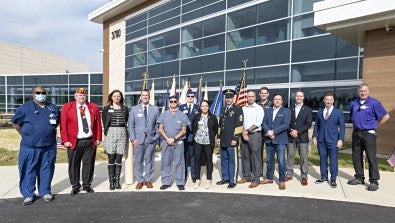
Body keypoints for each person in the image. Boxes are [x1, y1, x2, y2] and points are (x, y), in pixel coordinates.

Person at [11, 86, 60, 205]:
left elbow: (56, 123)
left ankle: (45, 191)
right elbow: (16, 124)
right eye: (38, 92)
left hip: (49, 146)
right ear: (33, 94)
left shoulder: (53, 108)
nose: (41, 94)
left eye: (43, 92)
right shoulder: (24, 108)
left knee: (47, 169)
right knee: (29, 169)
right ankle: (28, 194)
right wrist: (26, 135)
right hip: (30, 147)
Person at [60, 87, 102, 196]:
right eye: (79, 95)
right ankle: (75, 186)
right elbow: (63, 126)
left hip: (89, 140)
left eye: (84, 95)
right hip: (74, 141)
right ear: (75, 96)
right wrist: (65, 140)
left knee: (89, 163)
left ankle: (87, 185)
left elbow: (97, 124)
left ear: (86, 96)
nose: (82, 97)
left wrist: (98, 138)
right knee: (74, 164)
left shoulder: (93, 107)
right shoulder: (67, 107)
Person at [348, 83, 389, 191]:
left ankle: (374, 181)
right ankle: (359, 177)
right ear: (358, 92)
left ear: (368, 91)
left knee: (371, 157)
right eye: (361, 91)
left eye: (365, 91)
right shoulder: (353, 103)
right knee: (356, 156)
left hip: (369, 134)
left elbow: (385, 116)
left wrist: (375, 125)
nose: (363, 93)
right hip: (356, 133)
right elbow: (352, 116)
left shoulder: (374, 103)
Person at [312, 92, 345, 188]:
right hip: (321, 140)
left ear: (333, 101)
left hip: (333, 140)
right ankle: (324, 176)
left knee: (333, 160)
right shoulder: (319, 111)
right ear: (324, 100)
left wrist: (340, 140)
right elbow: (317, 125)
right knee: (322, 159)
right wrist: (314, 136)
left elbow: (342, 127)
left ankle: (333, 179)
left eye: (330, 100)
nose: (329, 101)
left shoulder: (338, 112)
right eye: (327, 99)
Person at [157, 95, 190, 191]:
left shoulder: (182, 115)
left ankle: (180, 182)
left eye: (175, 101)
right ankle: (166, 182)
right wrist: (168, 139)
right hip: (166, 141)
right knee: (166, 162)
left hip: (178, 142)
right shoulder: (164, 114)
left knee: (179, 162)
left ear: (178, 103)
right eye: (171, 101)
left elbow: (184, 130)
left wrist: (174, 139)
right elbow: (160, 129)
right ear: (168, 103)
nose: (173, 103)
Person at [129, 89, 160, 190]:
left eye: (147, 95)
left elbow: (158, 125)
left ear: (149, 97)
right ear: (140, 97)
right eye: (143, 95)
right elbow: (131, 125)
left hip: (150, 140)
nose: (145, 97)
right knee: (138, 161)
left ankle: (148, 180)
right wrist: (133, 139)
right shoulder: (134, 109)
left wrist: (156, 137)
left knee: (150, 160)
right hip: (138, 140)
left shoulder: (155, 109)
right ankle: (139, 180)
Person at [261, 93, 291, 190]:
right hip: (269, 139)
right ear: (273, 101)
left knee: (281, 161)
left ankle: (281, 180)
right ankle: (269, 177)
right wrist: (268, 132)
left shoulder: (286, 111)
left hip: (280, 140)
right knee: (269, 160)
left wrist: (274, 132)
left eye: (279, 99)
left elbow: (285, 124)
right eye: (275, 99)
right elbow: (263, 122)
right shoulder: (267, 110)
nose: (277, 101)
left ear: (282, 101)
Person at [102, 90, 129, 190]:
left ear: (121, 97)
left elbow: (126, 121)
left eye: (118, 96)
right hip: (110, 133)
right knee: (111, 158)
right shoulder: (106, 109)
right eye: (115, 96)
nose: (116, 98)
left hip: (122, 133)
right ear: (111, 97)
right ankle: (111, 181)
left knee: (119, 158)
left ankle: (117, 181)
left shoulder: (125, 109)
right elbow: (105, 121)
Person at [216, 89, 243, 189]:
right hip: (223, 139)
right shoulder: (223, 109)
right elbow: (220, 125)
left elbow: (239, 125)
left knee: (232, 161)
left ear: (233, 98)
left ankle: (232, 180)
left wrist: (235, 138)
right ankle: (225, 178)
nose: (228, 99)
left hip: (232, 140)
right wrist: (218, 136)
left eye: (230, 97)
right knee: (224, 160)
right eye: (227, 97)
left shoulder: (237, 109)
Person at [286, 90, 313, 186]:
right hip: (290, 137)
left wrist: (298, 131)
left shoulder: (308, 110)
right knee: (290, 156)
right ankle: (289, 174)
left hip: (302, 137)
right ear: (295, 97)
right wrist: (291, 131)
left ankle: (304, 176)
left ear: (303, 97)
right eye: (297, 96)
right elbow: (286, 123)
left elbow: (308, 124)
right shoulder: (289, 109)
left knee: (303, 158)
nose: (299, 97)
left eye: (301, 96)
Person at [238, 91, 264, 188]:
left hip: (255, 135)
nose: (250, 98)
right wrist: (243, 132)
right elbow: (240, 121)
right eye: (248, 96)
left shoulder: (259, 108)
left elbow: (258, 123)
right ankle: (246, 176)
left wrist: (247, 131)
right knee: (245, 156)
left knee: (255, 157)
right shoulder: (243, 108)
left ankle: (256, 179)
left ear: (255, 97)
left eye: (252, 96)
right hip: (244, 134)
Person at [191, 100, 218, 189]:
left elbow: (215, 129)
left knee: (208, 160)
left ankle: (208, 179)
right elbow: (193, 127)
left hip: (208, 142)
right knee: (197, 160)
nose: (204, 108)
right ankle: (198, 179)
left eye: (206, 106)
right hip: (197, 141)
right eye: (202, 106)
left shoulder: (213, 117)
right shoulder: (196, 117)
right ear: (200, 107)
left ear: (208, 107)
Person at [179, 89, 199, 182]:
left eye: (192, 96)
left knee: (193, 156)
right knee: (183, 156)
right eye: (189, 96)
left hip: (194, 136)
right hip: (183, 136)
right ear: (186, 97)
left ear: (194, 97)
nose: (190, 98)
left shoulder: (198, 107)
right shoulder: (181, 107)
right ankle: (184, 174)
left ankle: (193, 175)